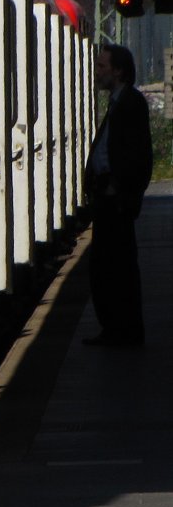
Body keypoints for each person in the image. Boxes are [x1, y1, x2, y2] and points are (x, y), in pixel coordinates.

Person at [83, 44, 152, 347]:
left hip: (116, 200)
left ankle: (124, 330)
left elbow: (138, 154)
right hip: (109, 196)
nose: (97, 72)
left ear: (119, 70)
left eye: (101, 66)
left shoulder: (130, 103)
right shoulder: (118, 102)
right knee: (106, 267)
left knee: (116, 267)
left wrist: (122, 189)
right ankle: (114, 328)